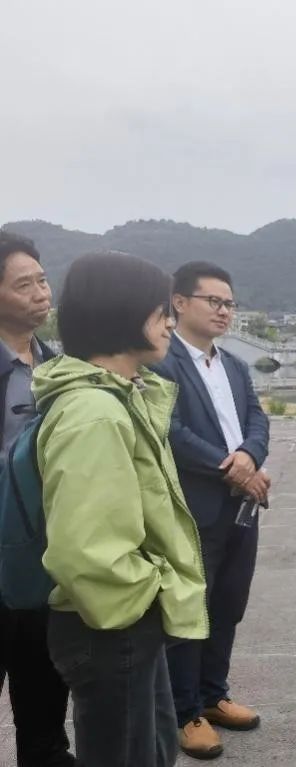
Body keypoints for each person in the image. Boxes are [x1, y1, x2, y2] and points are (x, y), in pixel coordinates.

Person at [35, 252, 207, 766]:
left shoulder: (117, 397)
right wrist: (150, 594)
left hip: (119, 619)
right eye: (160, 312)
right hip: (112, 624)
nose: (170, 323)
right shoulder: (95, 413)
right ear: (123, 312)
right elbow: (86, 551)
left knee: (151, 749)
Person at [151, 262, 270, 759]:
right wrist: (233, 466)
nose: (224, 311)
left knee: (227, 605)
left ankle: (213, 694)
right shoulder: (162, 362)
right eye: (214, 301)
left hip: (242, 508)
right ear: (179, 303)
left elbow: (257, 419)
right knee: (189, 610)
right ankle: (184, 712)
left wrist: (251, 456)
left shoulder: (234, 365)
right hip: (195, 509)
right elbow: (171, 432)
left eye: (229, 303)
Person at [0, 231, 75, 766]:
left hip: (41, 555)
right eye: (23, 284)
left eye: (42, 280)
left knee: (45, 684)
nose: (40, 293)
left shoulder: (54, 365)